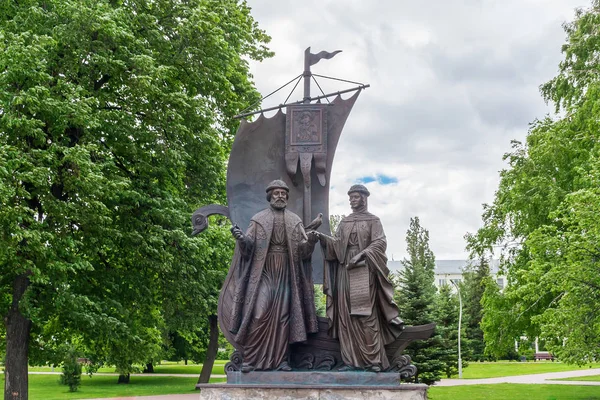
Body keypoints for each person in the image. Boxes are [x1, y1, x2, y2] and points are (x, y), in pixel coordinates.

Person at [227, 180, 319, 372]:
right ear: (270, 196)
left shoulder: (295, 221)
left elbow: (303, 252)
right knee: (259, 313)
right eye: (276, 193)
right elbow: (248, 248)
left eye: (283, 194)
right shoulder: (258, 219)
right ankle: (251, 359)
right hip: (265, 272)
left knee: (284, 316)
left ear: (286, 197)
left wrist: (310, 241)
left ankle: (281, 361)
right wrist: (242, 239)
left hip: (287, 273)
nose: (280, 196)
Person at [317, 184, 403, 372]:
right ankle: (350, 361)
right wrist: (324, 240)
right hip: (344, 272)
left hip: (363, 271)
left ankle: (374, 361)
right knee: (346, 316)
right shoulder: (345, 222)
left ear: (364, 198)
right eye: (350, 197)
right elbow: (337, 248)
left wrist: (362, 254)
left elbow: (380, 242)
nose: (352, 200)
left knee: (366, 316)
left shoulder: (373, 220)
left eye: (355, 197)